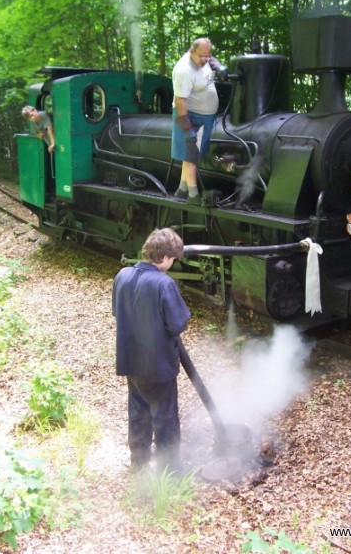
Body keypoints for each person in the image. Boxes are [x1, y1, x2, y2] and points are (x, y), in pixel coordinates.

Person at [112, 228, 191, 472]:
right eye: (173, 259)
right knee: (165, 420)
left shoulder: (122, 275)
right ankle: (170, 473)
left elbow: (118, 312)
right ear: (165, 257)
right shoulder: (163, 284)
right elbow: (178, 323)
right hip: (158, 367)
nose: (172, 264)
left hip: (131, 363)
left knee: (138, 415)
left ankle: (139, 466)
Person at [171, 37, 227, 205]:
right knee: (192, 156)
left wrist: (220, 67)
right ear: (191, 51)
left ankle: (182, 189)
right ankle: (193, 195)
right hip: (191, 116)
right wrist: (188, 130)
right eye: (201, 56)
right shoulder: (184, 71)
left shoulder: (203, 59)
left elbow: (210, 59)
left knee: (189, 155)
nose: (205, 59)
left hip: (205, 116)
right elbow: (180, 102)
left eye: (207, 55)